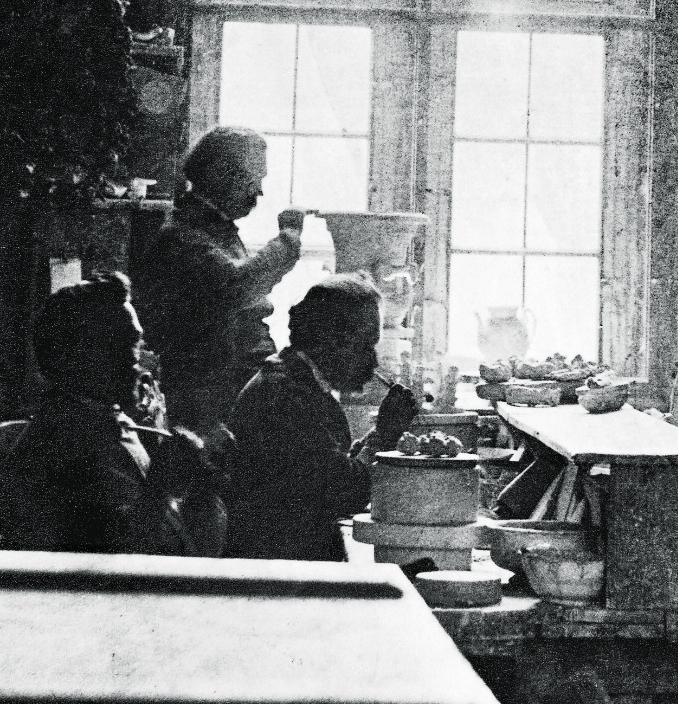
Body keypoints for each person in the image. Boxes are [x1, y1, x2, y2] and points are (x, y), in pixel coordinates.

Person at [0, 274, 225, 556]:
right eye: (114, 345)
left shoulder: (114, 422)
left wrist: (202, 485)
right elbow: (118, 568)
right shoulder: (55, 449)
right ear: (67, 356)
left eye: (134, 343)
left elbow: (187, 546)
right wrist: (160, 483)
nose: (134, 360)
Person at [225, 274, 417, 562]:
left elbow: (328, 466)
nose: (373, 361)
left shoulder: (296, 379)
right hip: (276, 568)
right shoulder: (287, 394)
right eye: (365, 346)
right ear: (330, 340)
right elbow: (344, 491)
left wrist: (377, 435)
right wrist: (384, 435)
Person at [129, 126, 302, 438]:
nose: (260, 192)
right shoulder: (181, 236)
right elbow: (236, 287)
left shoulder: (214, 230)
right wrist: (287, 240)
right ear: (222, 176)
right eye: (254, 180)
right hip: (211, 403)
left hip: (235, 389)